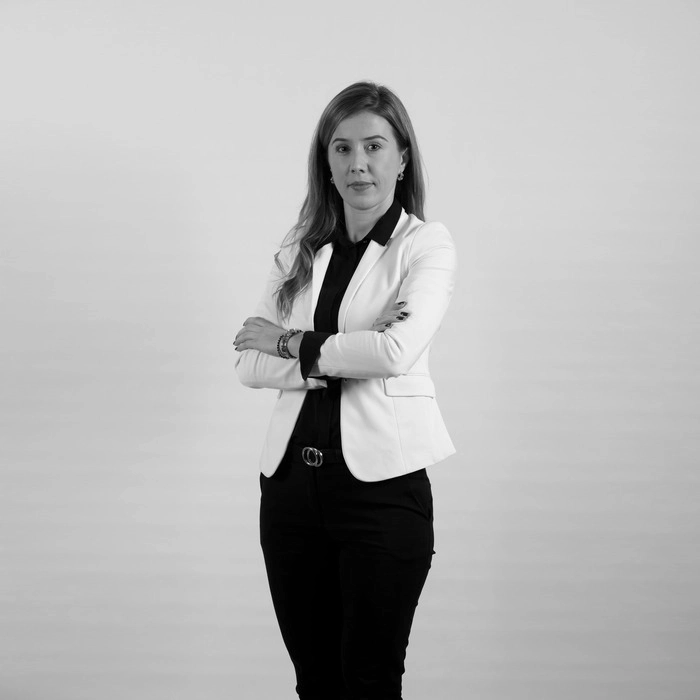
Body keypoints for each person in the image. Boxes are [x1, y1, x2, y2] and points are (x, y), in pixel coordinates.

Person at [233, 80, 457, 700]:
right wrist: (336, 351)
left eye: (374, 146)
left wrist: (289, 342)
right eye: (342, 148)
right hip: (290, 492)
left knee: (369, 682)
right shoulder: (299, 251)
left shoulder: (425, 246)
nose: (358, 163)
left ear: (402, 158)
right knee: (315, 683)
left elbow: (393, 352)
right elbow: (248, 364)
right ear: (326, 162)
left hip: (380, 491)